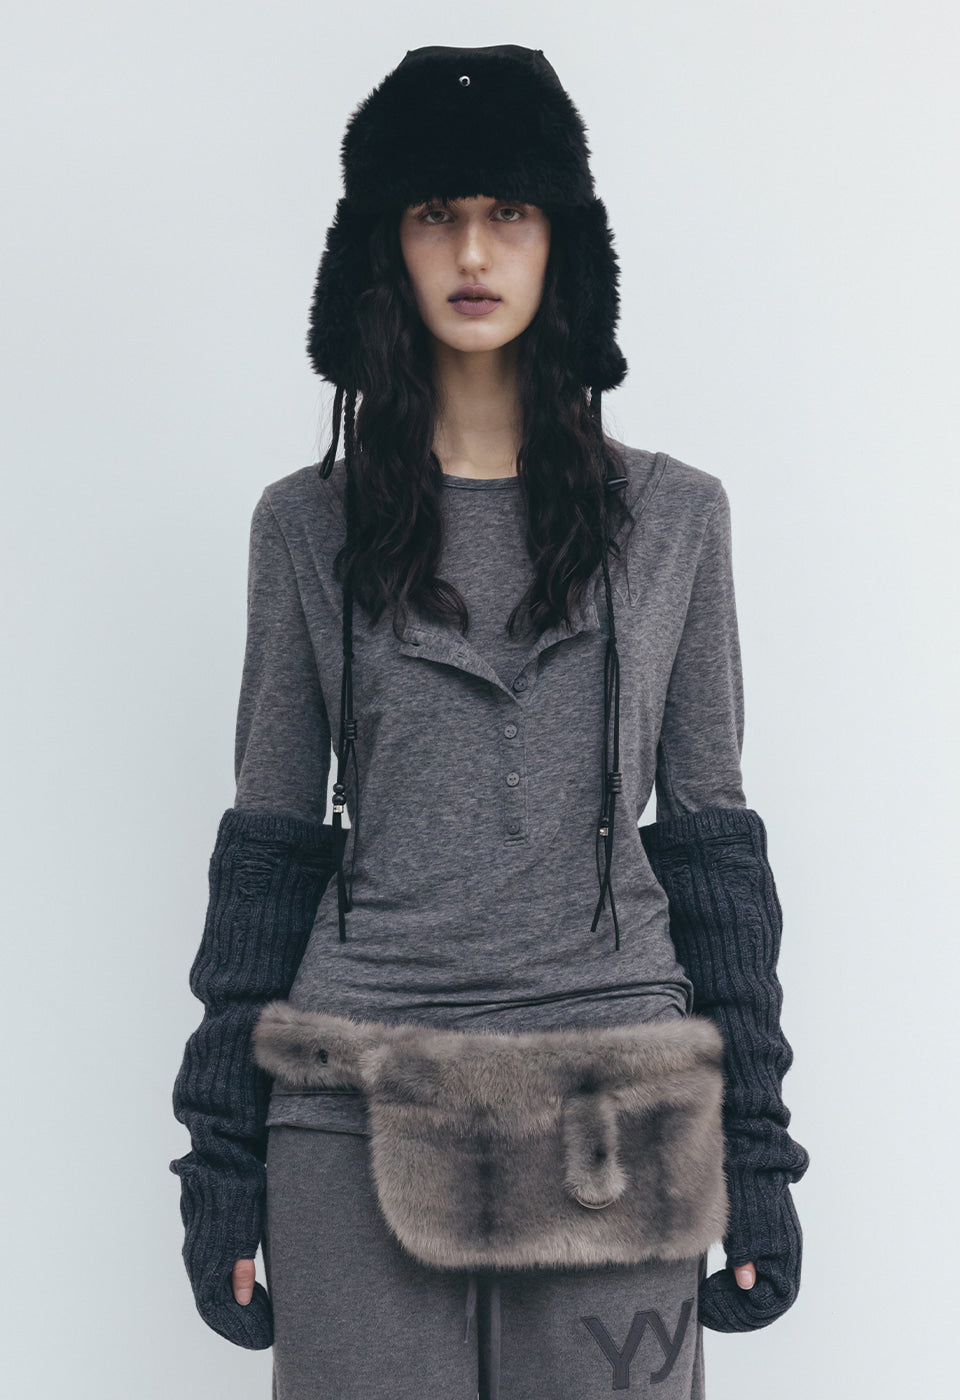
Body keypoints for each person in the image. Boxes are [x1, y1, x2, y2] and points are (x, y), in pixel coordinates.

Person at [169, 45, 809, 1399]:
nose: (472, 251)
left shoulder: (677, 519)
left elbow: (713, 848)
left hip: (618, 1106)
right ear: (383, 248)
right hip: (354, 1104)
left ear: (561, 241)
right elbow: (269, 845)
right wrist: (221, 1158)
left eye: (508, 213)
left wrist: (757, 1153)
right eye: (434, 214)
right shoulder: (306, 526)